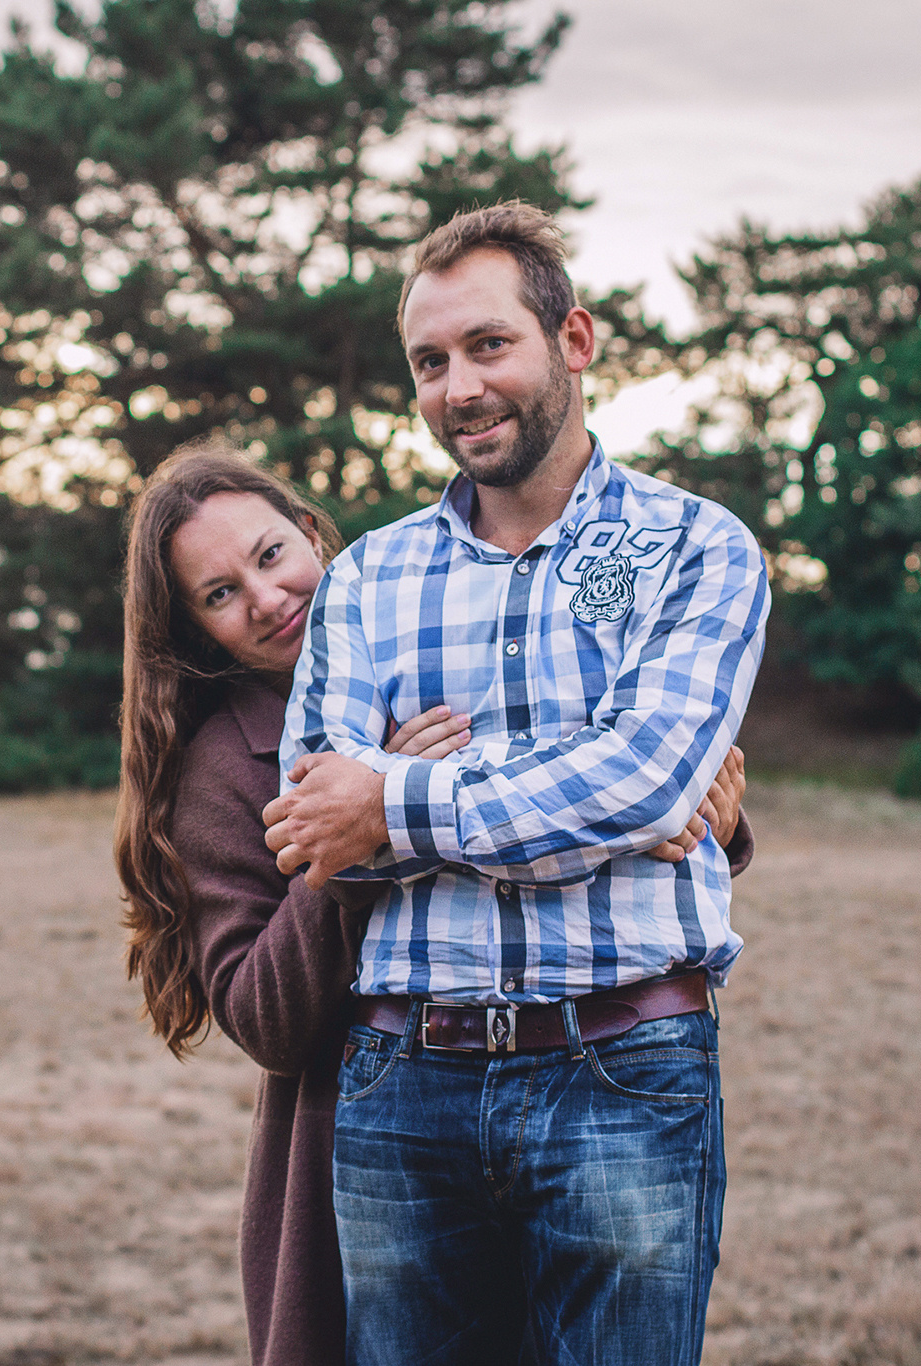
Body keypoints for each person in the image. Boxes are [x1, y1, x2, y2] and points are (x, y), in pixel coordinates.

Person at [260, 201, 771, 1365]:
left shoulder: (697, 549)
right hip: (400, 1077)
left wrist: (391, 790)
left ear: (572, 342)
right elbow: (307, 819)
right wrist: (576, 781)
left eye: (488, 345)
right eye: (429, 362)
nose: (458, 387)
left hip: (624, 1067)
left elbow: (642, 782)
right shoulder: (365, 577)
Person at [115, 441, 752, 1366]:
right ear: (194, 631)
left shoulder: (435, 635)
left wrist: (712, 823)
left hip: (578, 1078)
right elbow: (265, 1019)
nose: (264, 599)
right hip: (372, 1130)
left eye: (268, 556)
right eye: (219, 595)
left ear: (310, 535)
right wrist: (360, 832)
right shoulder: (225, 767)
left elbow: (585, 781)